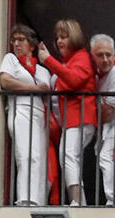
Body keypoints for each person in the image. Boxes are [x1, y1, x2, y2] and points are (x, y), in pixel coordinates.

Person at [38, 19, 96, 206]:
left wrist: (48, 60)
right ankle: (80, 202)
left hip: (80, 117)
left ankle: (77, 201)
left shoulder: (82, 57)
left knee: (68, 154)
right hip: (73, 119)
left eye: (64, 37)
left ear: (74, 37)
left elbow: (72, 80)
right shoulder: (71, 60)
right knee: (68, 155)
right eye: (58, 38)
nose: (59, 41)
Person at [0, 24, 51, 206]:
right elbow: (6, 81)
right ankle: (25, 198)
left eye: (21, 40)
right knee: (25, 154)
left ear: (32, 44)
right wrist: (34, 88)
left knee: (39, 157)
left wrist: (49, 59)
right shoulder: (11, 60)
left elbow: (49, 90)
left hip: (40, 115)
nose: (16, 44)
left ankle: (38, 200)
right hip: (21, 109)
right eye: (14, 40)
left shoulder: (42, 69)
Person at [90, 34, 115, 206]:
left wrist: (96, 110)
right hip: (107, 127)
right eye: (100, 55)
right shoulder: (99, 76)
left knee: (108, 158)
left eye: (108, 54)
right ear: (92, 56)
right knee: (104, 158)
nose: (105, 59)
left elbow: (108, 113)